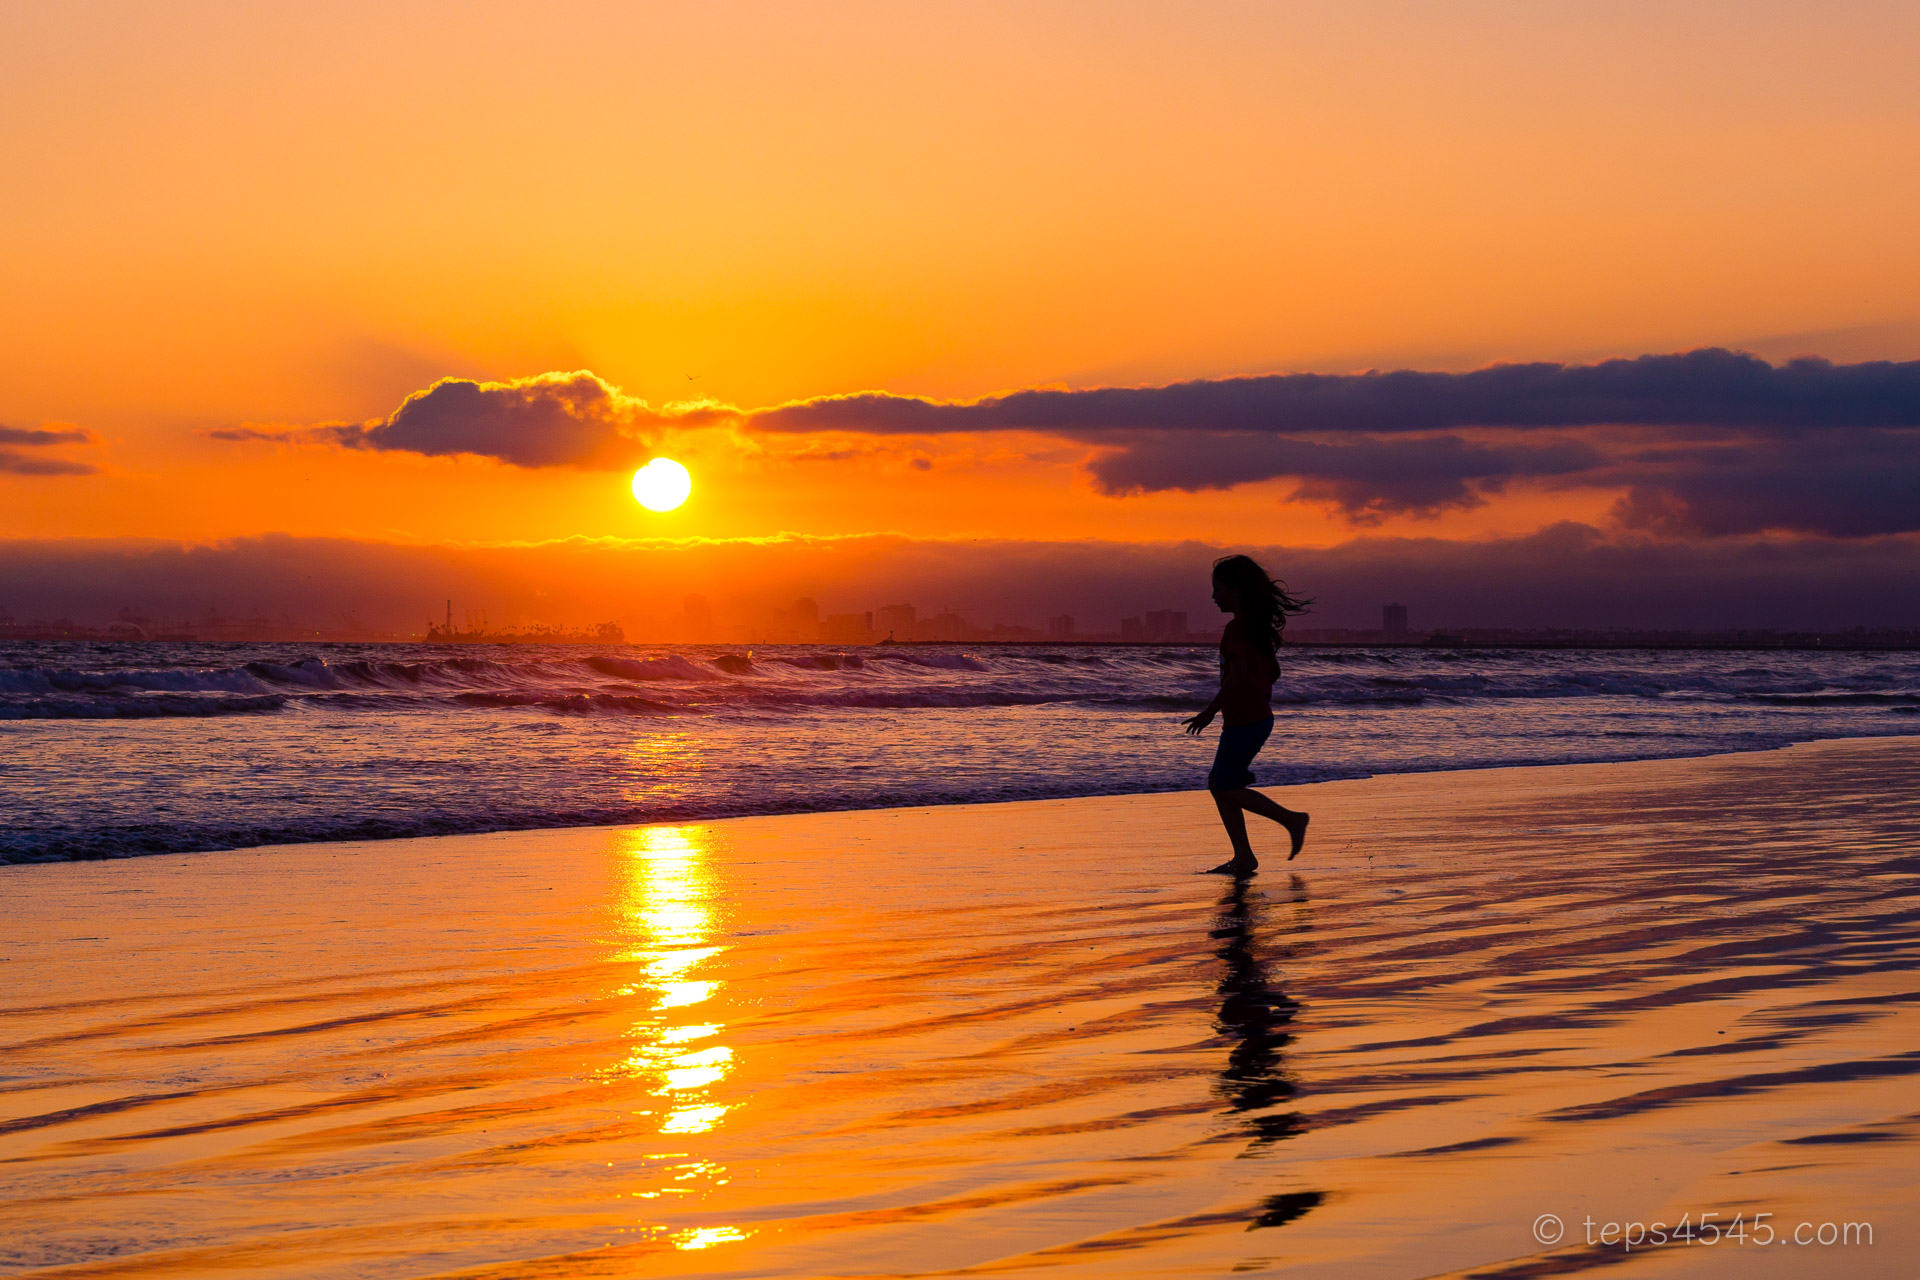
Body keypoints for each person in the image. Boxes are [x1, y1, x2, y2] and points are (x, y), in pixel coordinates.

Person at [1183, 554, 1311, 875]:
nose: (1214, 596)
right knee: (1219, 783)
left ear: (1236, 591)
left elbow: (1238, 675)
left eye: (1218, 589)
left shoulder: (1238, 629)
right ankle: (1243, 856)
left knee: (1223, 785)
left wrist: (1209, 711)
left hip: (1247, 721)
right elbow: (1274, 673)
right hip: (1253, 719)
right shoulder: (1254, 629)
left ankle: (1291, 820)